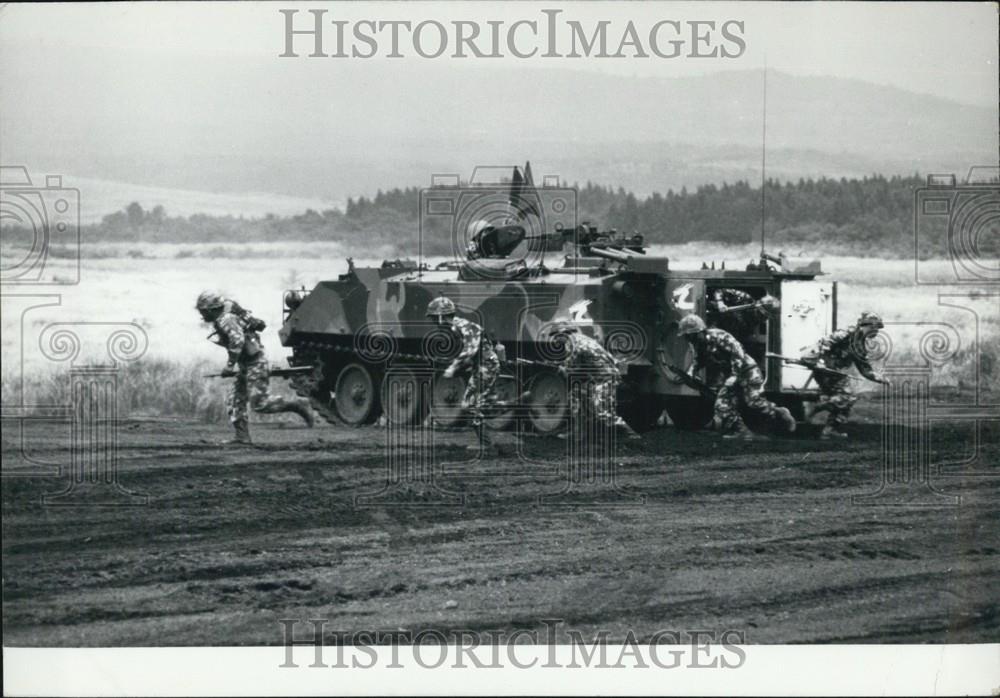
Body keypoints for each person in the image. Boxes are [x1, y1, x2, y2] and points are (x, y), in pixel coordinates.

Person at [196, 291, 313, 445]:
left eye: (203, 311)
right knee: (235, 400)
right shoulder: (224, 318)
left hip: (256, 362)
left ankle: (296, 404)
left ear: (211, 309)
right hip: (248, 363)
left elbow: (237, 341)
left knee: (260, 403)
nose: (202, 315)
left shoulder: (226, 319)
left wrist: (230, 366)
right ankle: (242, 437)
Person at [677, 314, 796, 440]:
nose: (688, 340)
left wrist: (734, 375)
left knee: (755, 403)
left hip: (748, 371)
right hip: (731, 376)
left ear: (698, 332)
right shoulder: (700, 343)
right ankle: (741, 431)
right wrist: (691, 373)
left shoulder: (719, 336)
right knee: (722, 404)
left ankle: (779, 412)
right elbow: (698, 360)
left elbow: (738, 352)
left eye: (689, 336)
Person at [426, 296, 501, 453]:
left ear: (441, 316)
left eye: (434, 318)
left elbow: (470, 350)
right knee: (482, 404)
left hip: (485, 367)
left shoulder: (464, 326)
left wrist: (453, 368)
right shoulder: (457, 327)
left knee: (469, 405)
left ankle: (486, 445)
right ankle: (516, 403)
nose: (433, 322)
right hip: (483, 366)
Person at [801, 311, 890, 439]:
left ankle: (829, 430)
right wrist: (818, 361)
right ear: (866, 326)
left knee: (846, 402)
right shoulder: (844, 334)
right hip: (825, 370)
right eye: (875, 327)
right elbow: (821, 345)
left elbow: (865, 370)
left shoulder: (860, 346)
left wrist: (881, 379)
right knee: (848, 397)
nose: (876, 331)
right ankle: (816, 407)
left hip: (835, 372)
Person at [547, 320, 637, 438]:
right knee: (575, 396)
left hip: (605, 379)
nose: (555, 340)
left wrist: (559, 369)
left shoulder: (572, 344)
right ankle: (578, 432)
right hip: (598, 378)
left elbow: (571, 370)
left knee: (601, 411)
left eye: (555, 336)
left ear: (563, 333)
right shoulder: (581, 339)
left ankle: (630, 434)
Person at [706, 289, 778, 343]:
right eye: (761, 315)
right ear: (758, 307)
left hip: (721, 333)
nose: (762, 319)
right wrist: (720, 303)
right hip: (710, 316)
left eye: (765, 317)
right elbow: (719, 291)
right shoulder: (745, 298)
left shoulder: (753, 322)